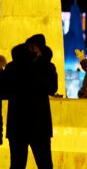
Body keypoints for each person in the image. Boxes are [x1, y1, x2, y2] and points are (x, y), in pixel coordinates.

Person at [2, 34, 58, 169]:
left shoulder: (12, 67)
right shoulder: (46, 67)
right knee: (42, 163)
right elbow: (51, 88)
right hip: (37, 125)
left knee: (19, 164)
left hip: (20, 125)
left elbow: (4, 91)